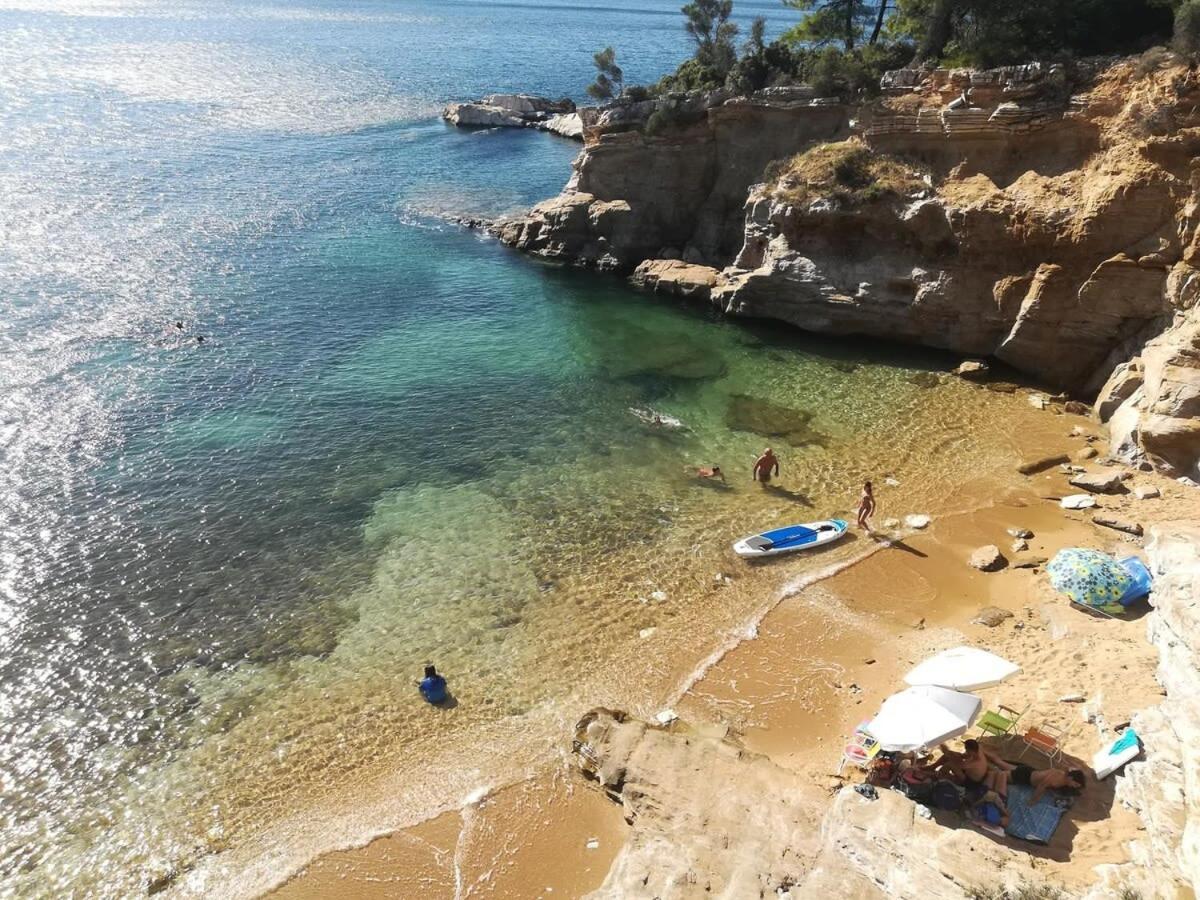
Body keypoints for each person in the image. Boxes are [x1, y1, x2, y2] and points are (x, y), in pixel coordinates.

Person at [1011, 764, 1086, 805]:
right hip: (1025, 777)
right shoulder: (1056, 778)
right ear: (1070, 778)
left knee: (1004, 765)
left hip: (1031, 772)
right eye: (1075, 784)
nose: (1074, 787)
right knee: (1002, 768)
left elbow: (1071, 768)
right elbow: (1041, 786)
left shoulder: (1065, 778)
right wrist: (1033, 800)